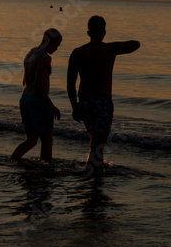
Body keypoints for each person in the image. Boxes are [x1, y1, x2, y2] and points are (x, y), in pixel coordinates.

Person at [67, 15, 140, 174]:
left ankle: (93, 170)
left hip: (85, 102)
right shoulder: (109, 49)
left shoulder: (78, 52)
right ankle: (93, 175)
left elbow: (70, 84)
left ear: (88, 33)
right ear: (104, 33)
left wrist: (74, 107)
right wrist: (112, 45)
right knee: (98, 144)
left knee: (94, 141)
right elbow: (136, 44)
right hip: (103, 103)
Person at [10, 28, 62, 163]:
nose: (56, 48)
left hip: (25, 98)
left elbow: (24, 81)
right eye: (56, 44)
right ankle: (46, 165)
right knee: (47, 138)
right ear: (49, 41)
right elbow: (40, 85)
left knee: (31, 140)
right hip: (37, 100)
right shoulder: (44, 57)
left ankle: (12, 160)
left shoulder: (30, 53)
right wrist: (51, 106)